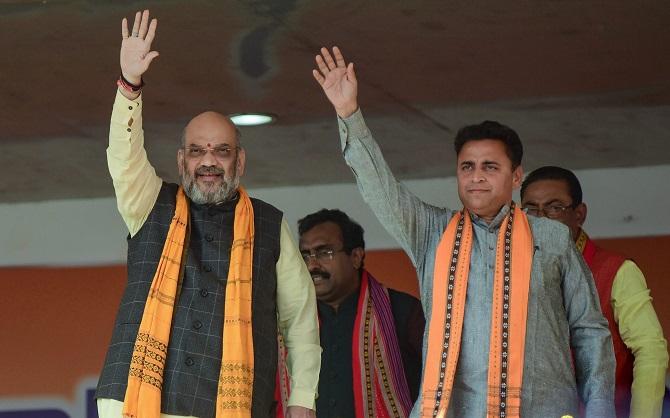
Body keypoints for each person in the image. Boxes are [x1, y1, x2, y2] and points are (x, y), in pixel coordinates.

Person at [312, 46, 616, 418]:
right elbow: (381, 190)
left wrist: (600, 408)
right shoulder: (432, 232)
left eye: (490, 166)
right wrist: (349, 114)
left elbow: (589, 330)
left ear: (516, 176)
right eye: (467, 166)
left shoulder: (551, 237)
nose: (476, 177)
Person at [95, 10, 320, 418]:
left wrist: (302, 398)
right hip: (136, 400)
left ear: (240, 161)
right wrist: (130, 86)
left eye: (222, 151)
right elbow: (122, 158)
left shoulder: (269, 225)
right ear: (181, 160)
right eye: (197, 151)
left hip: (229, 405)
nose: (209, 162)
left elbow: (299, 319)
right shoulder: (149, 203)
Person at [520, 165, 668, 418]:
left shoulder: (616, 270)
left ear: (579, 214)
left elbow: (650, 351)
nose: (541, 218)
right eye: (531, 209)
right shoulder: (515, 272)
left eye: (555, 207)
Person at [279, 209, 424, 418]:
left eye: (324, 252)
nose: (312, 265)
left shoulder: (402, 310)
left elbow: (441, 383)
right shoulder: (290, 320)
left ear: (355, 257)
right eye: (305, 255)